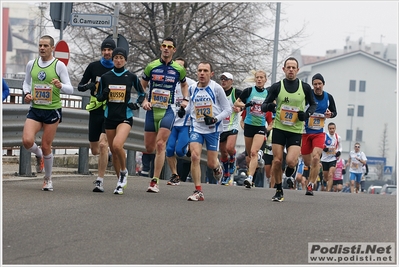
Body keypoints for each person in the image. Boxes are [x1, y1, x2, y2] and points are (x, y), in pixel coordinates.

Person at [21, 35, 73, 191]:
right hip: (36, 109)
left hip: (52, 110)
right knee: (27, 141)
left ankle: (48, 179)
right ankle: (39, 155)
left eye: (45, 46)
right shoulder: (32, 64)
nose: (42, 48)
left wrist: (60, 84)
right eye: (40, 45)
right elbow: (26, 83)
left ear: (52, 48)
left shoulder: (59, 66)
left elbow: (70, 88)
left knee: (46, 145)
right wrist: (26, 94)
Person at [261, 57, 317, 202]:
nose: (291, 70)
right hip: (279, 127)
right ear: (284, 69)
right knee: (277, 161)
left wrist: (306, 114)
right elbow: (264, 105)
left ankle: (291, 169)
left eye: (293, 67)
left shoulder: (304, 88)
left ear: (297, 70)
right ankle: (279, 190)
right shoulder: (277, 87)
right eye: (288, 67)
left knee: (291, 161)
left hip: (295, 130)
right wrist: (270, 106)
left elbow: (313, 105)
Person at [140, 37, 189, 193]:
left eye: (169, 47)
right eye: (164, 46)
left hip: (168, 110)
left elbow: (184, 84)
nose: (166, 49)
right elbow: (142, 85)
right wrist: (145, 100)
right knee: (149, 147)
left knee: (161, 144)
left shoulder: (178, 69)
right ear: (161, 48)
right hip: (152, 110)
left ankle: (154, 181)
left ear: (174, 50)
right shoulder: (151, 66)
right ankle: (153, 164)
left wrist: (185, 99)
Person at [96, 47, 146, 195]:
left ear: (125, 60)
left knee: (118, 145)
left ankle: (124, 172)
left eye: (121, 58)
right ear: (113, 59)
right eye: (116, 57)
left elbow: (142, 93)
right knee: (114, 151)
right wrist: (104, 95)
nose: (118, 60)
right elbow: (98, 97)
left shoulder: (130, 77)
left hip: (125, 116)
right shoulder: (106, 77)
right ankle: (120, 182)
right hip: (109, 116)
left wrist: (136, 104)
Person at [186, 61, 232, 201]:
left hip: (213, 129)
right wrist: (183, 111)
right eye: (200, 70)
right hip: (197, 127)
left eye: (205, 71)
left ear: (211, 74)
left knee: (211, 163)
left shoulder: (217, 88)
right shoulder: (192, 88)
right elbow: (190, 106)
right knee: (195, 156)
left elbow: (228, 109)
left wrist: (215, 119)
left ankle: (217, 167)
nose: (202, 73)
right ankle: (198, 191)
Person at [77, 38, 116, 193]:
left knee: (102, 144)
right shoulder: (93, 67)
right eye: (104, 50)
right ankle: (108, 155)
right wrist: (89, 86)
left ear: (114, 52)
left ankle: (100, 180)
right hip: (95, 109)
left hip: (110, 110)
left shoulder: (118, 69)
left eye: (110, 50)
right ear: (101, 51)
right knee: (94, 149)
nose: (107, 53)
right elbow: (80, 86)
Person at [300, 73, 337, 196]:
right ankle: (312, 171)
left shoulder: (328, 97)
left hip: (319, 133)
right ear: (312, 85)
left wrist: (330, 115)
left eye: (319, 84)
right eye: (315, 84)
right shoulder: (307, 95)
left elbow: (334, 112)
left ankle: (310, 184)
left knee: (316, 157)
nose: (317, 86)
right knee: (307, 162)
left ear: (323, 84)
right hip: (305, 132)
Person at [234, 70, 270, 189]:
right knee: (249, 155)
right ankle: (257, 161)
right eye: (257, 77)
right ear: (255, 79)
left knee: (254, 152)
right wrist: (246, 105)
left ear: (265, 80)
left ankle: (249, 178)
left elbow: (274, 105)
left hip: (260, 126)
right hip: (249, 125)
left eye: (261, 77)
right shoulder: (248, 91)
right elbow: (236, 103)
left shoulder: (268, 93)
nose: (259, 79)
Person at [165, 57, 196, 185]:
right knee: (169, 150)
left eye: (181, 66)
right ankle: (175, 174)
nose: (177, 69)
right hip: (171, 121)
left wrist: (187, 109)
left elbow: (197, 101)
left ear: (185, 69)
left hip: (185, 123)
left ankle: (187, 148)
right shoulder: (168, 81)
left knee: (179, 151)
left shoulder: (192, 84)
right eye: (175, 66)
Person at [218, 72, 242, 185]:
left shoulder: (235, 92)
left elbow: (244, 103)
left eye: (226, 79)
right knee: (223, 152)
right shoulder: (218, 91)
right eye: (222, 79)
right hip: (221, 126)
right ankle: (226, 174)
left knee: (229, 147)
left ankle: (233, 158)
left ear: (231, 81)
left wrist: (239, 109)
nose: (223, 81)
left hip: (232, 124)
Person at [320, 122, 342, 192]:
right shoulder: (325, 136)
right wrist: (324, 148)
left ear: (335, 129)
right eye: (330, 129)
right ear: (328, 129)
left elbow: (340, 147)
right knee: (326, 177)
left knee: (330, 174)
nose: (332, 130)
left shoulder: (338, 137)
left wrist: (339, 152)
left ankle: (328, 190)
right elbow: (321, 144)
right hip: (325, 158)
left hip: (333, 158)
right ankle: (324, 181)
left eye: (333, 128)